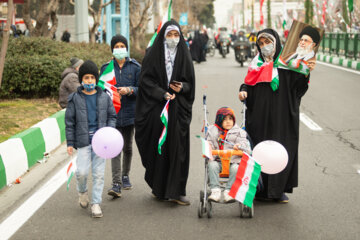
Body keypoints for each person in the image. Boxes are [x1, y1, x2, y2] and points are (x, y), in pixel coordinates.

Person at [238, 29, 316, 203]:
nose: (265, 46)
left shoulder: (288, 62)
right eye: (262, 43)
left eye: (268, 42)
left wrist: (306, 72)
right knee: (259, 148)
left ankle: (277, 190)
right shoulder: (255, 64)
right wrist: (243, 91)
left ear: (276, 42)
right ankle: (260, 189)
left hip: (283, 115)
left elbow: (298, 88)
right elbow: (248, 84)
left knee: (282, 149)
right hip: (259, 116)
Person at [135, 20, 195, 205]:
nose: (173, 39)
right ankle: (159, 187)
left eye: (176, 35)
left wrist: (181, 87)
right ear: (163, 36)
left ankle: (176, 191)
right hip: (157, 109)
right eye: (169, 35)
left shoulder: (184, 55)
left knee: (178, 149)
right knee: (158, 147)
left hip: (177, 111)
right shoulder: (153, 55)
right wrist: (161, 93)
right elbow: (145, 81)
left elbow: (190, 83)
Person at [65, 60, 117, 218]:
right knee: (81, 172)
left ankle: (96, 203)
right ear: (81, 80)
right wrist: (70, 142)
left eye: (92, 78)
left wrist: (109, 132)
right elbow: (69, 122)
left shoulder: (104, 97)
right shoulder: (74, 98)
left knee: (99, 174)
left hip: (101, 143)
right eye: (86, 78)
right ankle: (82, 192)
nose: (89, 81)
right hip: (83, 142)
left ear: (96, 79)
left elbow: (112, 116)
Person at [100, 35, 141, 198]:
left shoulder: (135, 67)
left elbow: (142, 88)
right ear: (112, 49)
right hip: (113, 114)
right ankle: (116, 183)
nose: (119, 48)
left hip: (131, 113)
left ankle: (125, 176)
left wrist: (129, 90)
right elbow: (101, 89)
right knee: (115, 148)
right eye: (116, 46)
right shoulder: (106, 68)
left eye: (121, 45)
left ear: (126, 47)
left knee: (128, 147)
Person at [206, 107, 251, 203]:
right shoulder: (212, 132)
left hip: (234, 161)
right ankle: (215, 191)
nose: (228, 122)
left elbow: (247, 147)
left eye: (230, 119)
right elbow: (208, 144)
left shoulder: (239, 132)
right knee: (211, 165)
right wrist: (209, 148)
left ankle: (229, 191)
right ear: (219, 121)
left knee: (236, 168)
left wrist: (240, 146)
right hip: (218, 161)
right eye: (224, 119)